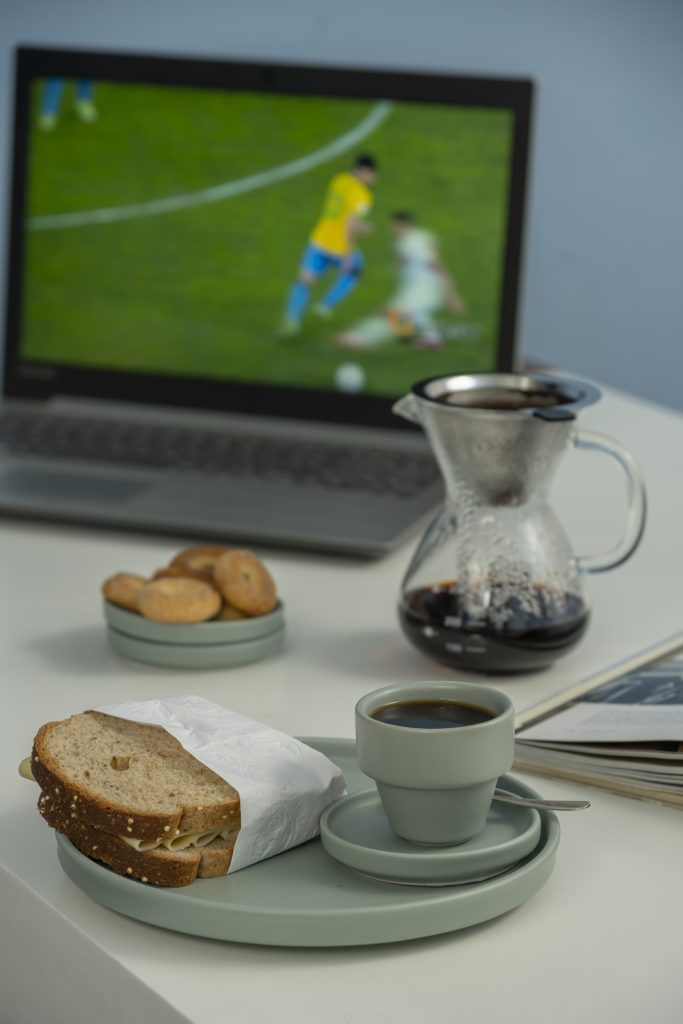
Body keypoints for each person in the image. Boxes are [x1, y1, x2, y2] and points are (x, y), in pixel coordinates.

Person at [334, 210, 466, 350]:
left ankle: (359, 339)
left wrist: (452, 296)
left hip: (424, 290)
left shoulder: (411, 243)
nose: (392, 229)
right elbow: (431, 255)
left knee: (391, 312)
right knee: (413, 314)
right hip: (423, 289)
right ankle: (429, 340)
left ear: (403, 225)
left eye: (394, 226)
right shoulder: (417, 238)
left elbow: (437, 267)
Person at [280, 153, 378, 335]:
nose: (374, 178)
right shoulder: (363, 196)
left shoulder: (339, 179)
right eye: (372, 174)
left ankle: (291, 321)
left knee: (304, 281)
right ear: (364, 172)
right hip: (339, 246)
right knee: (355, 269)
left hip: (319, 239)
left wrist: (361, 226)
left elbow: (341, 213)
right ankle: (325, 305)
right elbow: (349, 223)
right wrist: (348, 253)